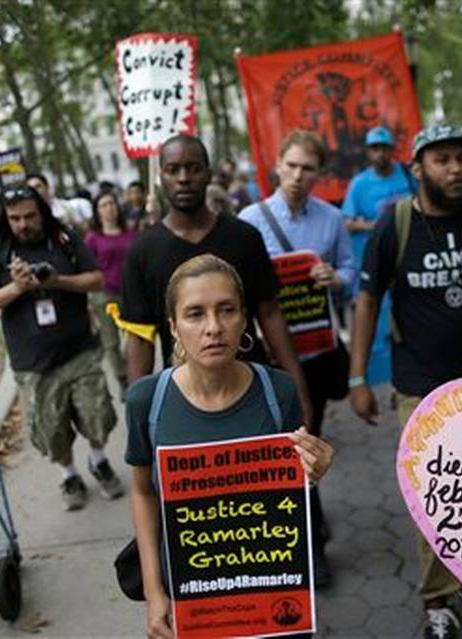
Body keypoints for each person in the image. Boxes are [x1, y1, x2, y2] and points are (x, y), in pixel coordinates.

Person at [349, 124, 462, 639]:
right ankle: (438, 603)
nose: (456, 169)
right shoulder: (396, 223)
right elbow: (366, 299)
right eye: (443, 160)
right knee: (438, 497)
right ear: (418, 169)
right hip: (420, 386)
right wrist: (358, 376)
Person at [125, 254, 334, 639]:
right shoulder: (146, 401)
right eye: (195, 314)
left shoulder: (278, 391)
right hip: (194, 599)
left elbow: (287, 493)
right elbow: (142, 492)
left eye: (226, 310)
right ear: (173, 327)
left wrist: (313, 473)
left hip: (273, 599)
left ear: (244, 318)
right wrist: (155, 593)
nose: (213, 328)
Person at [118, 134, 313, 428]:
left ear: (208, 174)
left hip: (254, 393)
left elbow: (270, 313)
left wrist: (298, 389)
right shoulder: (141, 253)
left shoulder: (245, 237)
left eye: (193, 168)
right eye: (173, 170)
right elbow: (140, 339)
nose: (184, 178)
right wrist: (139, 415)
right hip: (184, 403)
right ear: (161, 177)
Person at [238, 129, 355, 587]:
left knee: (307, 439)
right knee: (288, 446)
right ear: (277, 166)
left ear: (319, 174)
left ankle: (311, 530)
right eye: (291, 166)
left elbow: (349, 268)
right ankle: (310, 542)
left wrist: (335, 277)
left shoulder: (331, 219)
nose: (298, 176)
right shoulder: (249, 221)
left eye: (308, 168)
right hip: (268, 355)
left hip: (318, 351)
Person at [0, 185, 123, 511]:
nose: (23, 224)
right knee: (51, 429)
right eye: (15, 218)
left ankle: (98, 460)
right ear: (6, 219)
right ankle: (68, 474)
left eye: (29, 216)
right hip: (33, 361)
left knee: (98, 415)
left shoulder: (64, 239)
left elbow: (96, 279)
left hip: (79, 350)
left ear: (41, 212)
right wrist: (16, 287)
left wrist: (57, 281)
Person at [342, 126, 415, 268]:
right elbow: (346, 224)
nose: (380, 153)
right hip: (376, 258)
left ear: (392, 150)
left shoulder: (408, 174)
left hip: (408, 252)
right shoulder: (359, 184)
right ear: (368, 152)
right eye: (375, 149)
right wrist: (373, 226)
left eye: (384, 148)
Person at [85, 191, 138, 387]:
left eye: (112, 203)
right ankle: (122, 377)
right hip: (104, 294)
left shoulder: (131, 233)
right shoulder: (92, 238)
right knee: (111, 342)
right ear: (97, 211)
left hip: (131, 292)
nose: (109, 208)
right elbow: (86, 267)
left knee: (134, 336)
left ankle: (134, 372)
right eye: (103, 205)